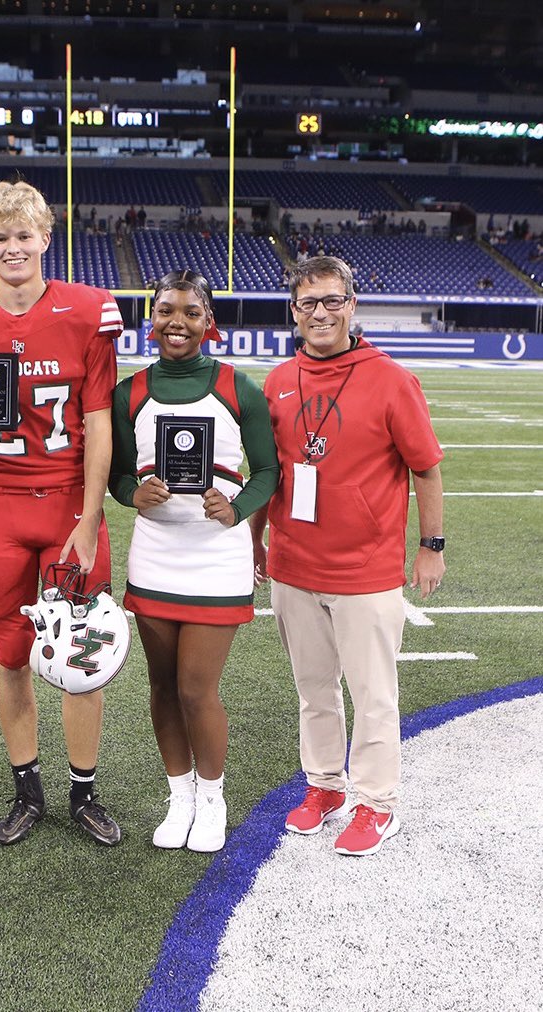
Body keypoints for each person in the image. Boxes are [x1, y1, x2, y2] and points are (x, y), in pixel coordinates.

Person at [0, 180, 124, 847]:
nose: (13, 247)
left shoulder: (88, 310)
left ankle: (84, 792)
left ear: (46, 238)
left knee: (80, 655)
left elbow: (99, 423)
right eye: (0, 237)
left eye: (24, 235)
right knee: (10, 657)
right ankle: (27, 789)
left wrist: (91, 517)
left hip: (68, 504)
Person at [249, 255, 445, 858]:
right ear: (294, 310)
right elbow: (271, 472)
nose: (321, 313)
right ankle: (325, 786)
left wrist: (431, 546)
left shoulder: (390, 378)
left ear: (352, 305)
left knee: (373, 695)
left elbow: (427, 468)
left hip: (365, 570)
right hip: (293, 564)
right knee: (313, 691)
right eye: (309, 303)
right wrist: (258, 536)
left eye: (332, 300)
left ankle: (377, 803)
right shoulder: (280, 380)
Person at [109, 270, 279, 853]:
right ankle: (178, 796)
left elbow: (268, 473)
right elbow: (117, 475)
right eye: (164, 311)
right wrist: (134, 494)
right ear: (149, 319)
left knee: (195, 689)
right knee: (160, 687)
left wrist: (237, 510)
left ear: (209, 322)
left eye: (189, 312)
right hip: (156, 554)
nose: (175, 322)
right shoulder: (128, 392)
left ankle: (212, 797)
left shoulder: (239, 389)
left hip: (215, 556)